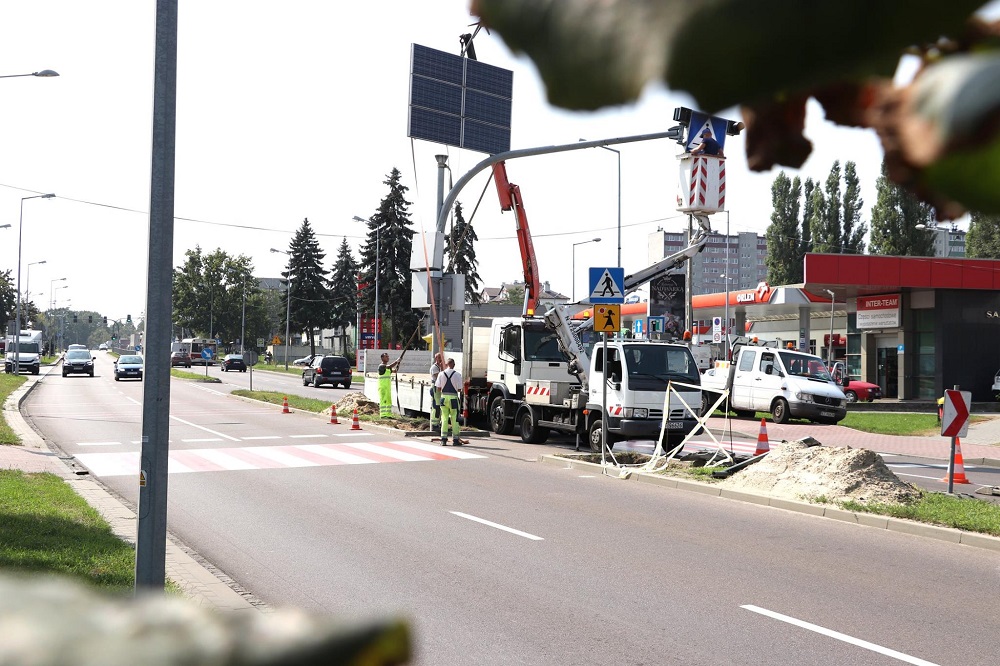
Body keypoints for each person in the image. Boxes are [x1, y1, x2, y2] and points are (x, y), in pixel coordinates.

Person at [435, 357, 463, 446]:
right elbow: (459, 389)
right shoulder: (457, 375)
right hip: (453, 399)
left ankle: (443, 439)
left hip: (443, 398)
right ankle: (455, 440)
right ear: (454, 365)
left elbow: (438, 388)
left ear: (446, 364)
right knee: (454, 419)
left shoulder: (441, 374)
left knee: (444, 418)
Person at [377, 352, 400, 419]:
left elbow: (395, 370)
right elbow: (389, 366)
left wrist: (398, 364)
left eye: (388, 356)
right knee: (383, 400)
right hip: (382, 387)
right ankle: (383, 415)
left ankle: (388, 415)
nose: (388, 358)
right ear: (382, 358)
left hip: (387, 387)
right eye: (386, 356)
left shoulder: (388, 368)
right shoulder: (381, 366)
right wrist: (397, 361)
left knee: (388, 401)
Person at [429, 352, 444, 431]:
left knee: (439, 406)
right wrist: (442, 368)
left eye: (441, 358)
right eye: (439, 358)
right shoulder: (434, 367)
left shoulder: (440, 367)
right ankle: (434, 424)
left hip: (438, 388)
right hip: (435, 387)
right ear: (436, 358)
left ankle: (438, 423)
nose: (441, 359)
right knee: (436, 406)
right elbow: (439, 377)